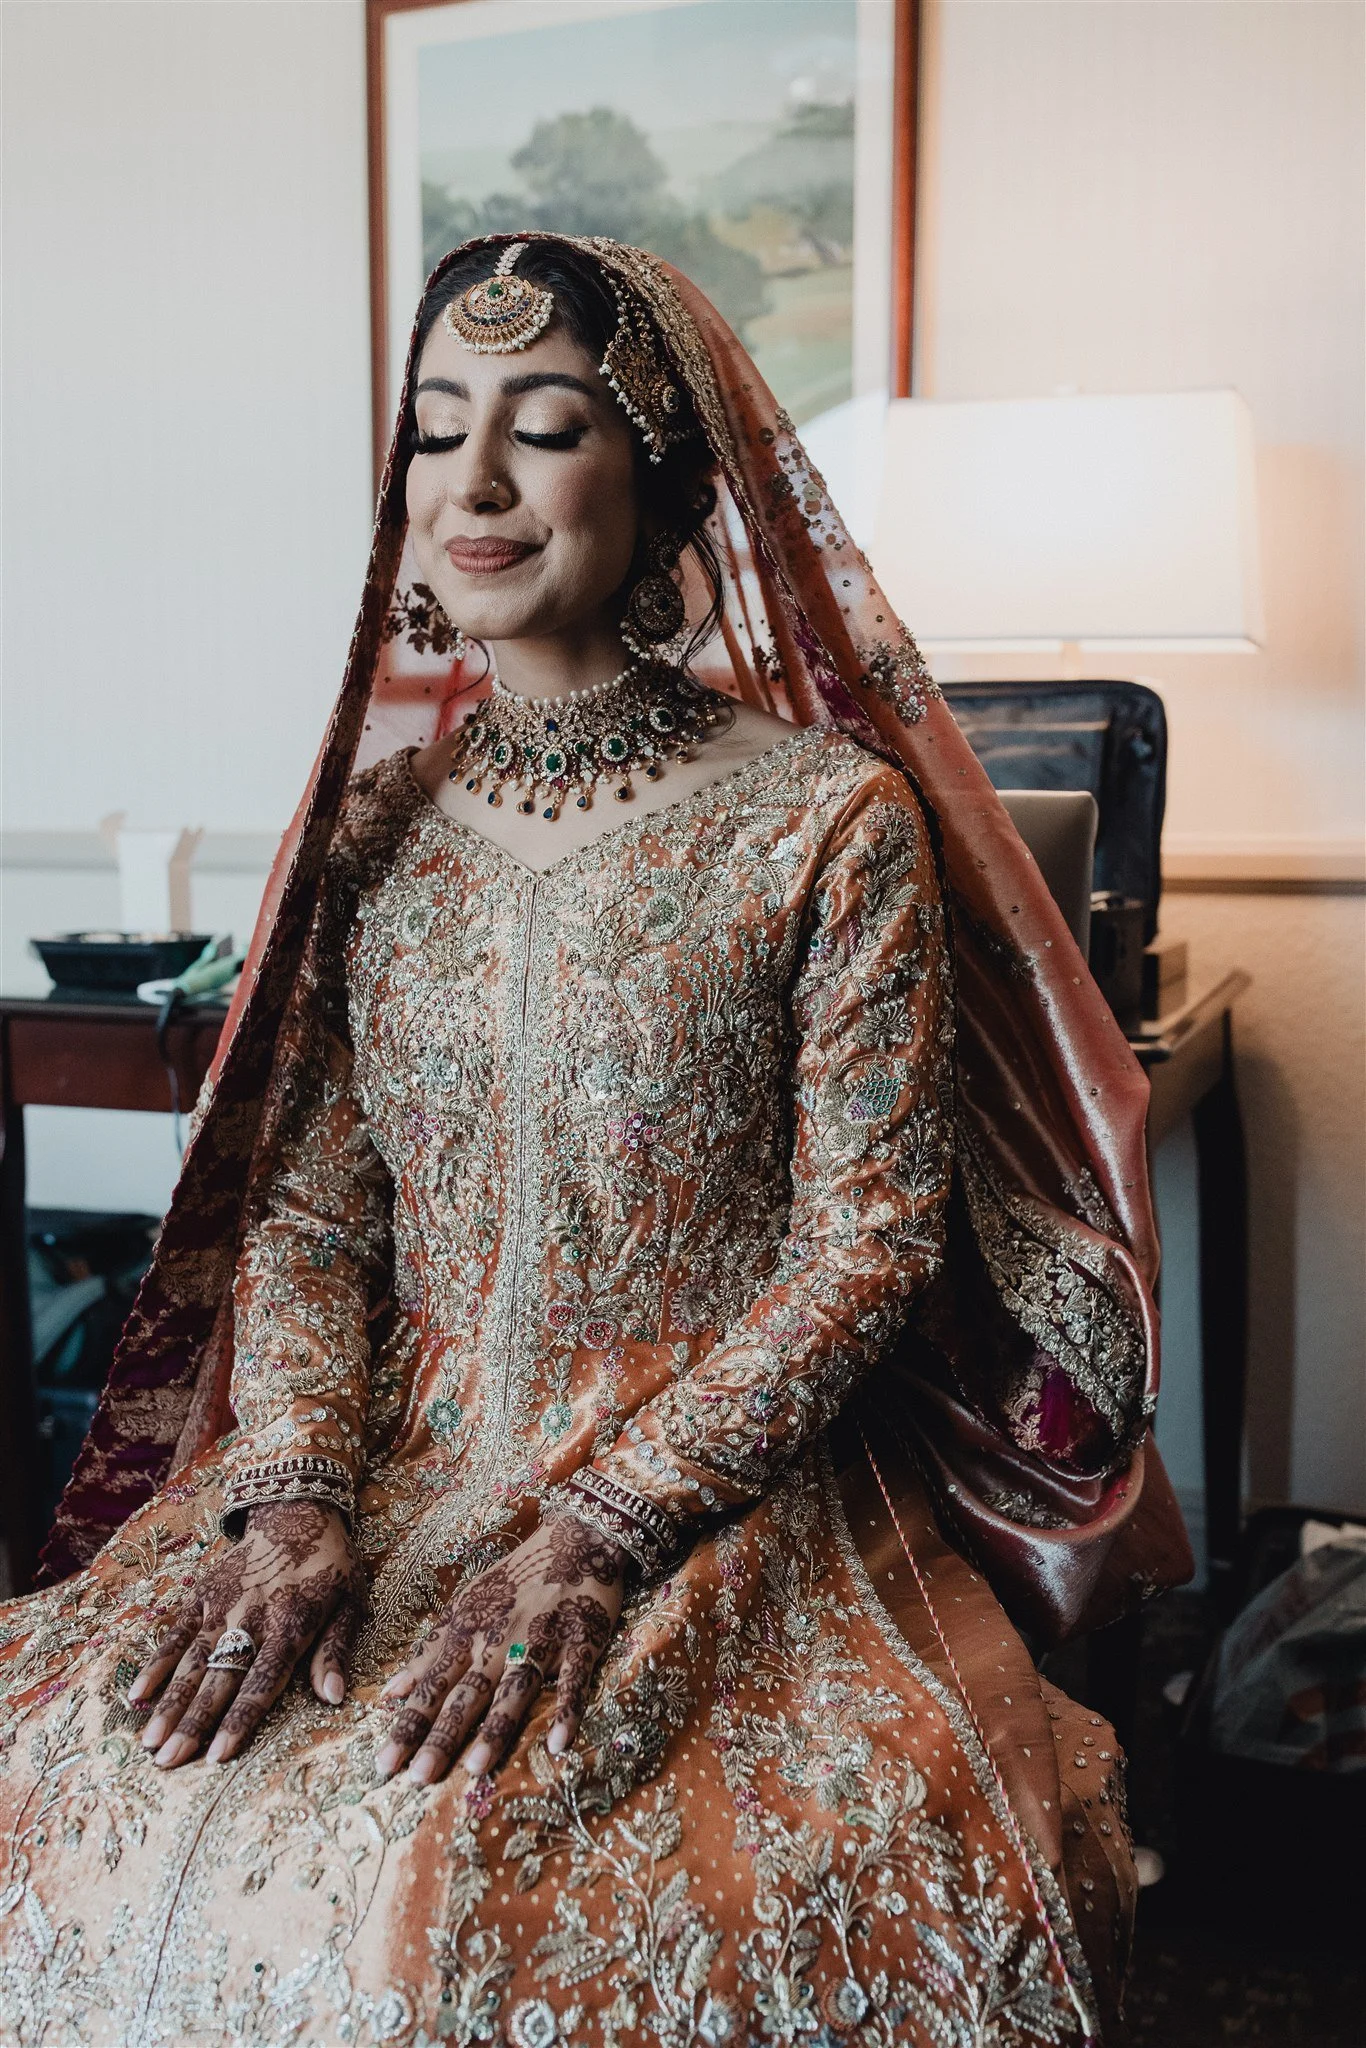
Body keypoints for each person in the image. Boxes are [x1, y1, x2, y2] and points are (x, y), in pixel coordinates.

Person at [0, 236, 1190, 2046]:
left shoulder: (820, 823)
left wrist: (597, 1533)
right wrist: (295, 1504)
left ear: (670, 488)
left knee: (468, 1877)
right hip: (390, 1464)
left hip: (710, 1493)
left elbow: (864, 1242)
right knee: (103, 1768)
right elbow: (317, 1218)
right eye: (431, 433)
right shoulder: (372, 838)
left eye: (543, 428)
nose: (470, 484)